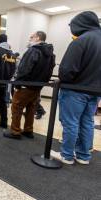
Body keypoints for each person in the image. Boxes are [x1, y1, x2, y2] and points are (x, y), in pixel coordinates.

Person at [51, 11, 101, 165]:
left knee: (71, 122)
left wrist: (64, 79)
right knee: (87, 122)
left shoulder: (81, 41)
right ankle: (83, 156)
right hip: (96, 91)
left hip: (75, 90)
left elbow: (66, 70)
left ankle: (66, 155)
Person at [4, 31, 55, 139]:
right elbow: (50, 70)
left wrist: (17, 84)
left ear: (37, 38)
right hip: (37, 86)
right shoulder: (50, 54)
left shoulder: (33, 50)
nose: (29, 39)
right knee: (31, 108)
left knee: (16, 107)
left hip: (25, 86)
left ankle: (15, 131)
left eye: (31, 37)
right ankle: (28, 130)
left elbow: (24, 69)